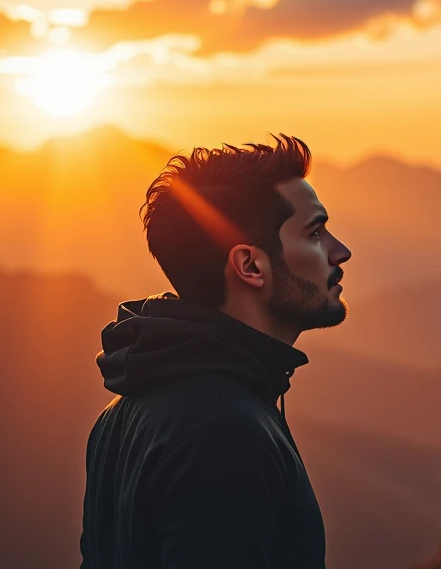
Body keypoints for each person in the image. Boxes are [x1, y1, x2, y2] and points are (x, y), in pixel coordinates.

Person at [80, 134, 352, 568]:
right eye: (315, 232)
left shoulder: (122, 412)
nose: (341, 251)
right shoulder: (225, 431)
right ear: (249, 266)